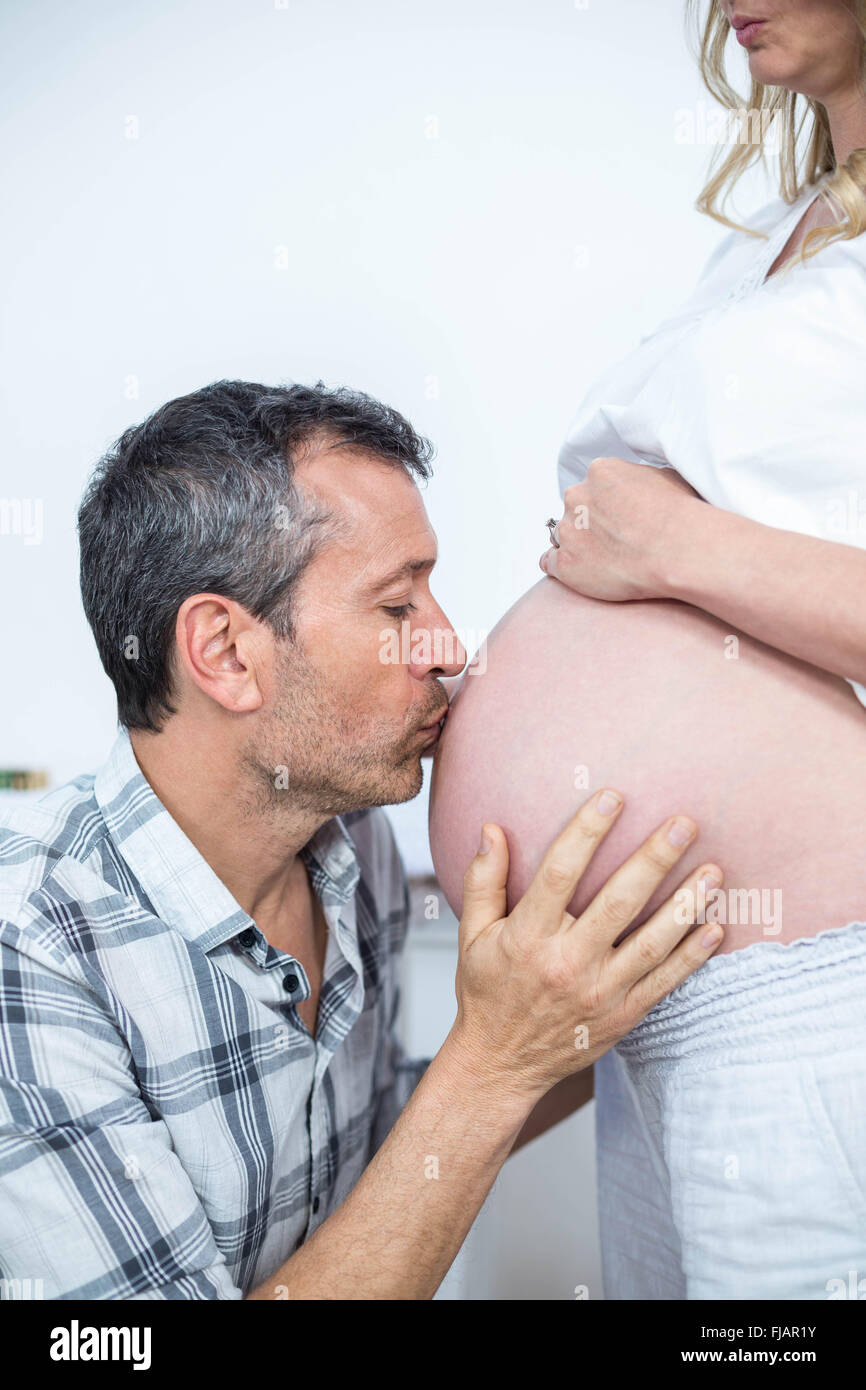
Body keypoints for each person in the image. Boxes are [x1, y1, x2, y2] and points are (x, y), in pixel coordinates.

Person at [0, 380, 726, 1300]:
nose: (447, 646)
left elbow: (384, 1155)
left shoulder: (347, 845)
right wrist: (496, 1061)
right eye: (396, 610)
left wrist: (584, 1006)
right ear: (225, 653)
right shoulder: (29, 950)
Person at [429, 0, 866, 1299]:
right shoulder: (774, 237)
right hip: (651, 1000)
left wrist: (678, 555)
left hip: (809, 982)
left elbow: (678, 543)